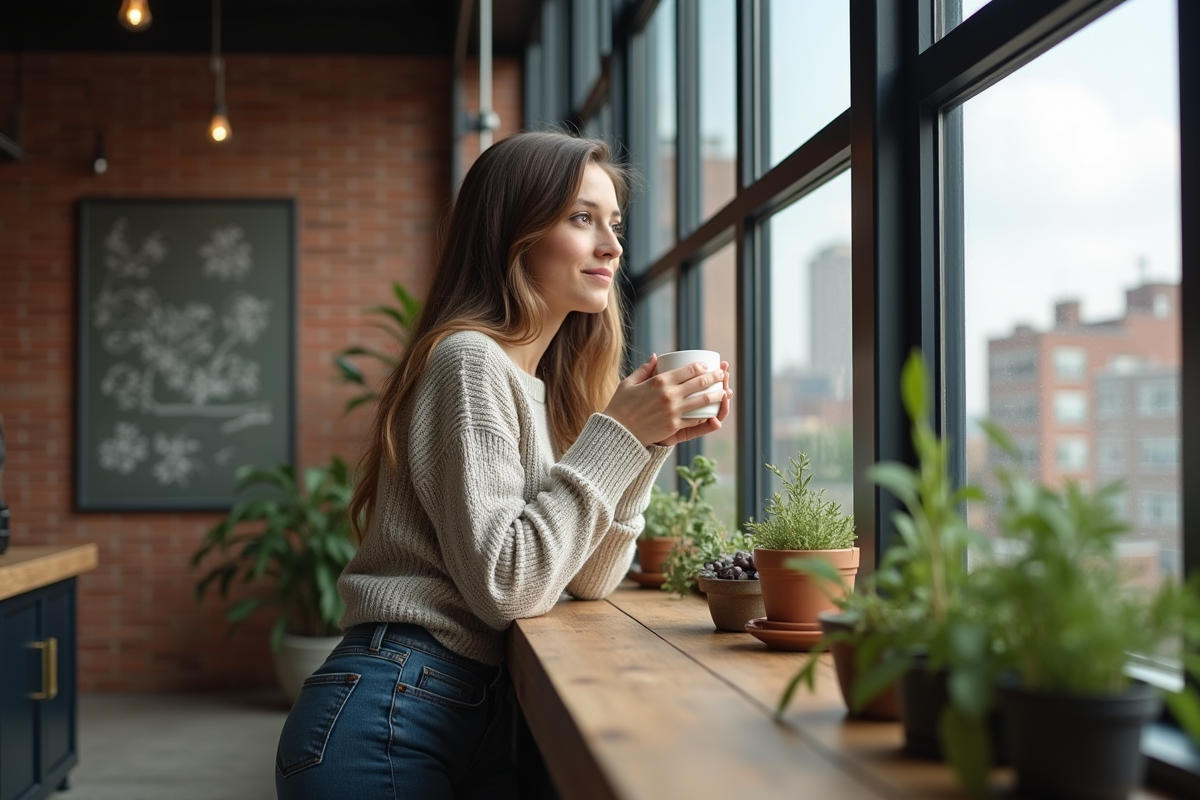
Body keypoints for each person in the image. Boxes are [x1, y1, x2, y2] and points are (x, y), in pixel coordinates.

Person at [274, 131, 732, 800]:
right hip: (392, 708)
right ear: (512, 232)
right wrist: (617, 434)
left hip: (454, 708)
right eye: (582, 218)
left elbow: (589, 579)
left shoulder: (536, 387)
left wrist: (649, 443)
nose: (612, 245)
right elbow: (506, 586)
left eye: (614, 224)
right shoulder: (469, 360)